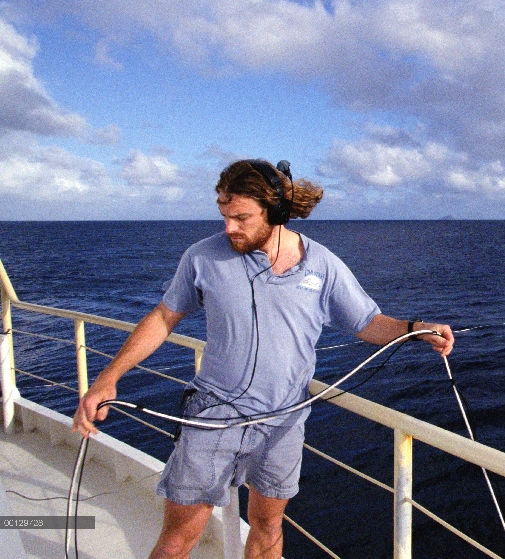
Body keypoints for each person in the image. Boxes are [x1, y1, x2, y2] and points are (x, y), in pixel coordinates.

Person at [72, 159, 454, 559]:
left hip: (284, 422)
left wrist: (415, 328)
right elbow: (164, 317)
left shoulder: (322, 264)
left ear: (276, 213)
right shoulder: (203, 257)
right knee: (176, 540)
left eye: (241, 217)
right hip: (212, 416)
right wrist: (107, 377)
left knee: (269, 526)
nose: (229, 228)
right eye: (224, 215)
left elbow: (368, 322)